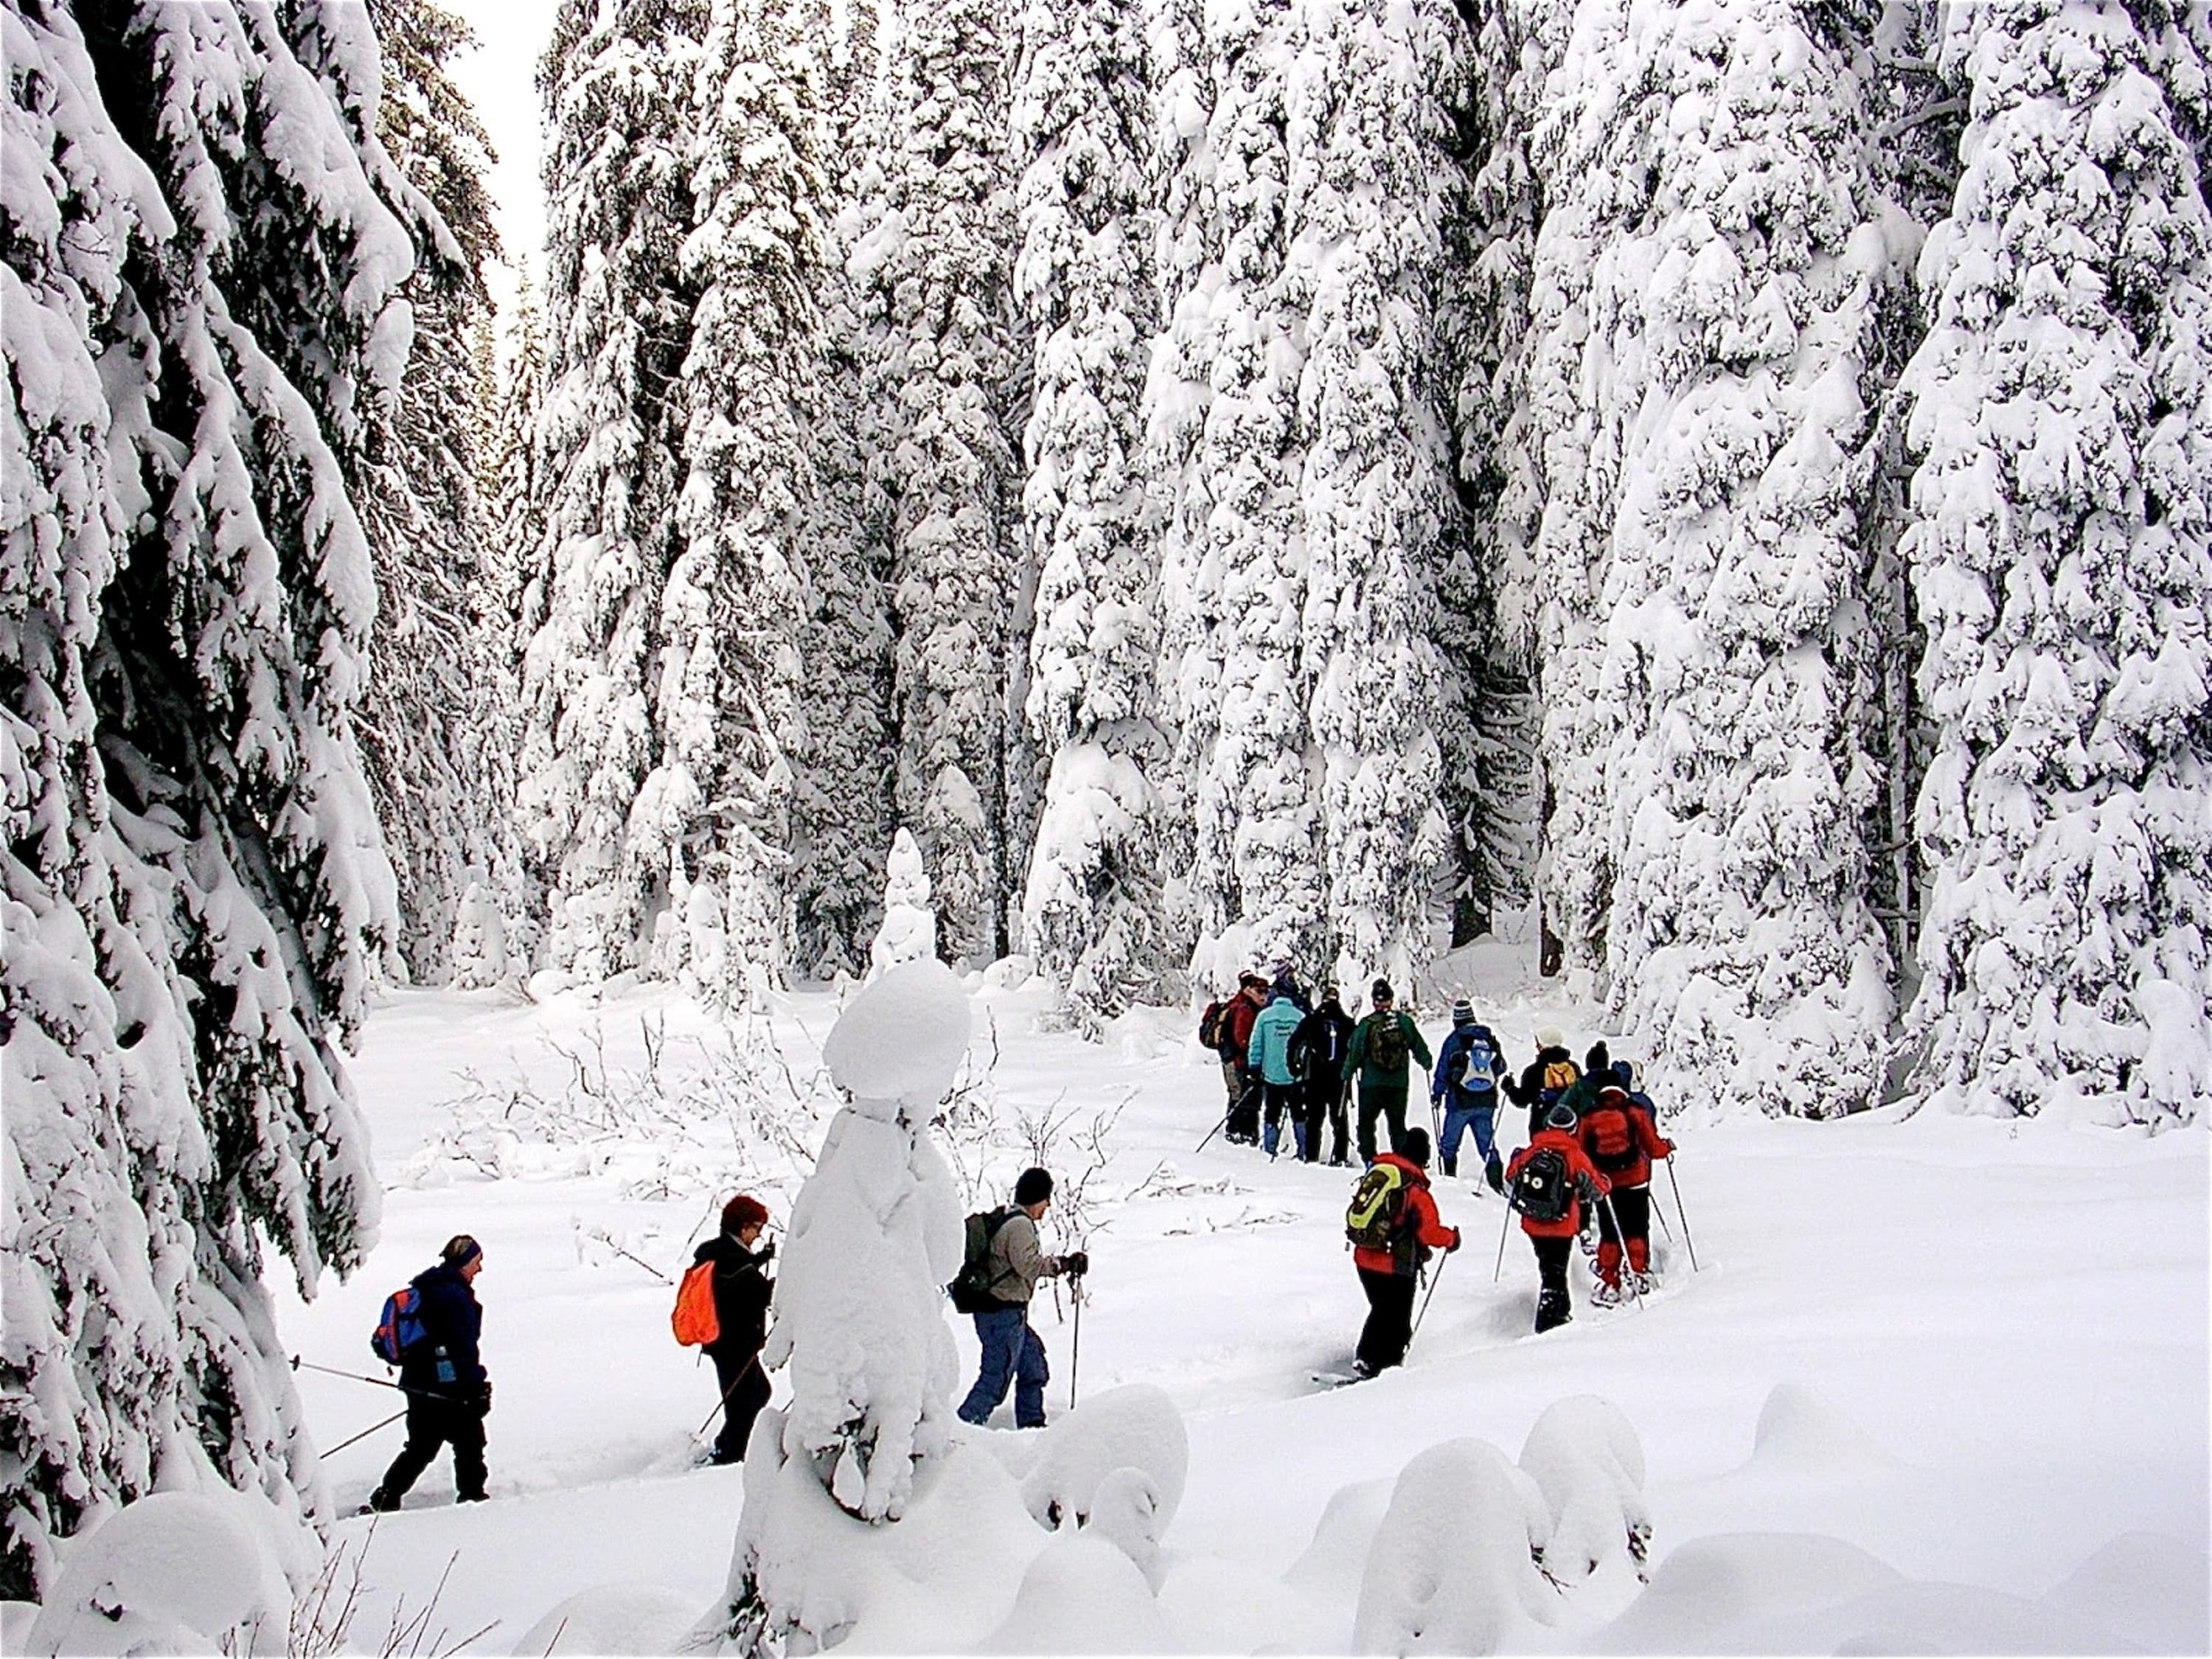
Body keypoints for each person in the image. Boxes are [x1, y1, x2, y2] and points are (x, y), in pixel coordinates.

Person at [367, 1236, 492, 1510]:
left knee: (421, 1446)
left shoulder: (427, 1287)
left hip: (418, 1382)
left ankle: (386, 1497)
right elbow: (462, 1347)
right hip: (449, 1386)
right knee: (470, 1441)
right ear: (463, 1263)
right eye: (477, 1262)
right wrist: (477, 1386)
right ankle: (473, 1498)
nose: (479, 1269)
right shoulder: (454, 1296)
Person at [956, 1167, 1088, 1429]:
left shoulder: (1012, 1218)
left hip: (1007, 1315)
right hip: (1000, 1315)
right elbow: (1028, 1265)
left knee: (1033, 1367)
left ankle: (1032, 1427)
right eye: (1046, 1199)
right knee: (994, 1381)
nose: (1048, 1205)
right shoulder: (1019, 1225)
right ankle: (959, 1433)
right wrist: (1063, 1264)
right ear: (1036, 1197)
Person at [1349, 1127, 1461, 1376]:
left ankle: (1367, 1359)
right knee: (1395, 1317)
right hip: (1395, 1264)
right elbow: (1429, 1233)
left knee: (1381, 1310)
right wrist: (1451, 1239)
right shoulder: (1415, 1190)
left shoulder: (1379, 1174)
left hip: (1364, 1257)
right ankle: (1385, 1367)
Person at [1505, 1105, 1610, 1333]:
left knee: (1550, 1268)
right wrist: (1605, 1183)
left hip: (1533, 1223)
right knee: (1555, 1272)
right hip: (1562, 1224)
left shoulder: (1533, 1150)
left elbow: (1511, 1176)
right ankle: (1550, 1323)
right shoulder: (1575, 1155)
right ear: (1572, 1128)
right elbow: (1597, 1191)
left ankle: (1561, 1312)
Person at [695, 1194, 776, 1464]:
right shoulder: (733, 1259)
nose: (758, 1235)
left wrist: (761, 1259)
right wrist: (788, 1284)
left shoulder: (717, 1251)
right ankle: (729, 1454)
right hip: (733, 1343)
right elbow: (756, 1290)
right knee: (747, 1399)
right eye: (757, 1228)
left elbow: (736, 1276)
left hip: (722, 1341)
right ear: (743, 1227)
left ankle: (732, 1449)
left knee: (751, 1395)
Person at [1576, 1084, 1674, 1304]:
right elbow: (1653, 1148)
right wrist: (1667, 1147)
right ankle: (1638, 1272)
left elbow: (1581, 1153)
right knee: (1637, 1228)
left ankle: (1610, 1282)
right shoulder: (1635, 1113)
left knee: (1610, 1233)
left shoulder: (1589, 1118)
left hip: (1605, 1185)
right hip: (1636, 1182)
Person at [1343, 979, 1433, 1164]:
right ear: (1391, 1000)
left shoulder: (1366, 1025)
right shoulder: (1404, 1022)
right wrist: (1426, 1062)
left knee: (1367, 1125)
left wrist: (1347, 1073)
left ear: (1374, 1001)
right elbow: (1418, 1046)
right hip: (1398, 1085)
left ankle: (1370, 1159)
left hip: (1371, 1085)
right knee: (1397, 1126)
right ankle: (1402, 1161)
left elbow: (1355, 1052)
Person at [1430, 998, 1506, 1190]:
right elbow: (1501, 1067)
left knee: (1450, 1144)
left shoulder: (1454, 1040)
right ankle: (1497, 1185)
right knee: (1487, 1144)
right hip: (1487, 1101)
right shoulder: (1488, 1037)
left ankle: (1450, 1182)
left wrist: (1437, 1094)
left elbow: (1443, 1070)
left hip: (1459, 1102)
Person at [1290, 987, 1357, 1166]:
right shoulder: (1346, 1022)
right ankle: (1339, 1156)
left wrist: (1294, 1067)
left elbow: (1294, 1043)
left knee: (1314, 1119)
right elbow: (1357, 1049)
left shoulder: (1312, 1020)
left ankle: (1312, 1155)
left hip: (1316, 1077)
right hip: (1338, 1077)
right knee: (1339, 1119)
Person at [1247, 980, 1307, 1158]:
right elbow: (1306, 1046)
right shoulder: (1299, 1017)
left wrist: (1254, 1067)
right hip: (1294, 1075)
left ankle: (1270, 1148)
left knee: (1272, 1112)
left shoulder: (1264, 1017)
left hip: (1272, 1074)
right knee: (1298, 1113)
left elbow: (1256, 1044)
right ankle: (1304, 1150)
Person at [1504, 1027, 1581, 1141]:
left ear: (1541, 1046)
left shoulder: (1533, 1071)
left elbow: (1522, 1100)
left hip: (1541, 1127)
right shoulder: (1573, 1068)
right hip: (1572, 1126)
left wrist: (1510, 1088)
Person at [1221, 973, 1269, 1144]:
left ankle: (1240, 1131)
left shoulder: (1246, 1006)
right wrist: (1257, 1049)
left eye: (1266, 992)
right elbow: (1242, 1040)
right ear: (1249, 990)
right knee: (1243, 1096)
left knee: (1243, 1095)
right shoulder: (1244, 1010)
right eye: (1259, 991)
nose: (1264, 996)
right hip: (1238, 1061)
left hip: (1236, 1060)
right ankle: (1240, 1131)